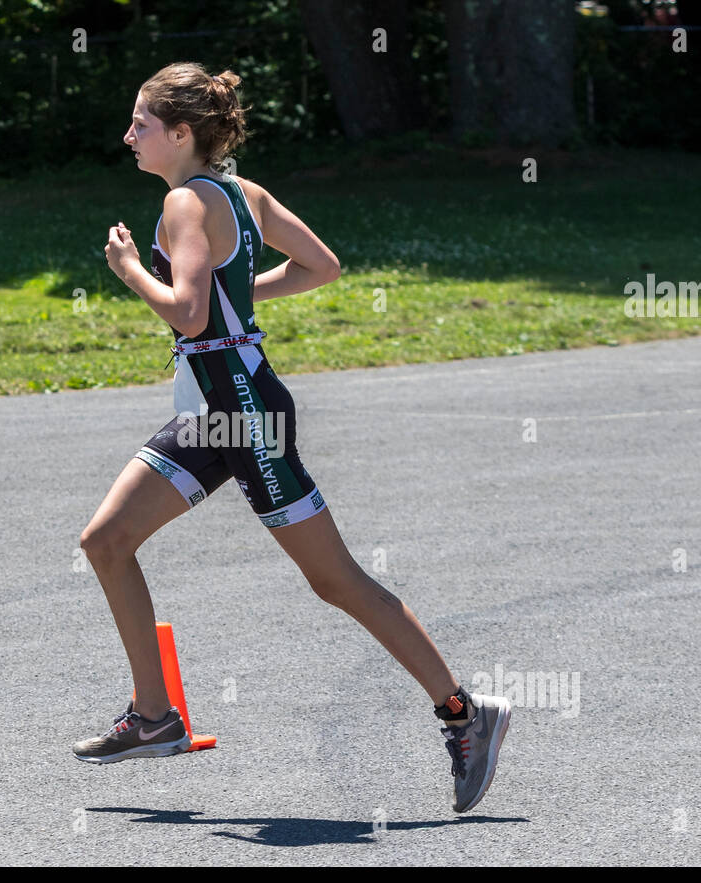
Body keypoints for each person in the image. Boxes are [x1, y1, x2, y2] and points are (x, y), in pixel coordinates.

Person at [74, 62, 510, 812]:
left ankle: (466, 715)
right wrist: (234, 297)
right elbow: (321, 267)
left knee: (335, 580)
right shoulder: (245, 193)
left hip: (244, 413)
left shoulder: (183, 202)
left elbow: (184, 312)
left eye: (141, 122)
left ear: (181, 134)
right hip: (213, 412)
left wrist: (125, 271)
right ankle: (155, 716)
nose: (129, 135)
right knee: (106, 541)